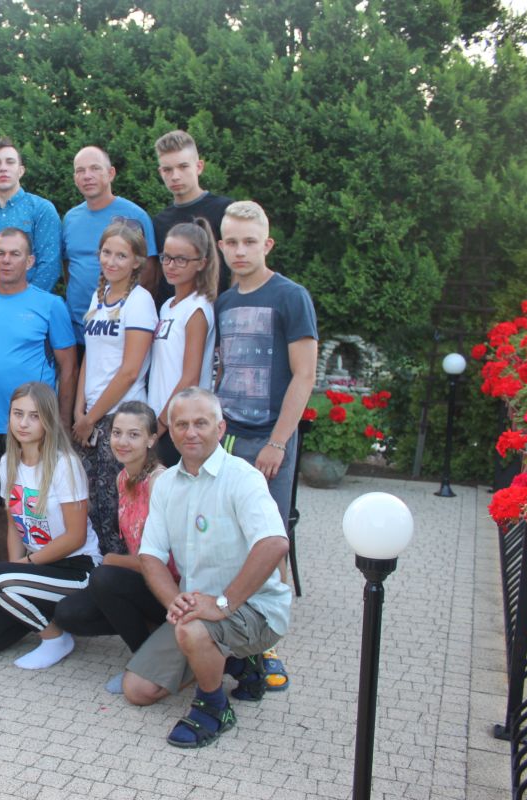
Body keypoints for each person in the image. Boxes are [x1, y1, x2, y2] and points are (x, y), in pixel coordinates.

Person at [122, 388, 291, 749]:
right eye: (181, 424)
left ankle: (214, 708)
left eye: (201, 423)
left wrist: (222, 603)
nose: (190, 432)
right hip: (198, 609)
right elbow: (150, 556)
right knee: (137, 690)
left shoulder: (242, 477)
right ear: (171, 431)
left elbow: (274, 543)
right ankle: (241, 664)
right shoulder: (166, 484)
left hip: (254, 609)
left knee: (194, 629)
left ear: (220, 428)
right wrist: (175, 601)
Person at [215, 200, 318, 691]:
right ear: (221, 246)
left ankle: (269, 644)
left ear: (267, 244)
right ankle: (231, 630)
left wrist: (278, 441)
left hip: (268, 438)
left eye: (250, 242)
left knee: (269, 540)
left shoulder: (290, 296)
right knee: (229, 536)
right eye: (232, 242)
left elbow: (305, 375)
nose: (240, 250)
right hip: (227, 435)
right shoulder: (224, 302)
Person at [0, 382, 101, 670]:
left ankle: (55, 638)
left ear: (48, 420)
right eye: (18, 414)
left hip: (76, 567)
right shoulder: (7, 463)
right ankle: (38, 610)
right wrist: (15, 570)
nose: (23, 423)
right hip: (36, 566)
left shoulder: (65, 465)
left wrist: (22, 567)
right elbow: (14, 526)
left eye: (34, 416)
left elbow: (75, 537)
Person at [0, 228, 77, 558]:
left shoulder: (50, 304)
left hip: (37, 427)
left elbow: (68, 366)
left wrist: (63, 421)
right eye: (0, 253)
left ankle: (44, 570)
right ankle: (7, 573)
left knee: (41, 505)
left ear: (30, 261)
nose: (7, 260)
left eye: (15, 254)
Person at [54, 401, 169, 692]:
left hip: (168, 586)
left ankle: (146, 662)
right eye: (117, 433)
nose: (122, 441)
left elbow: (162, 558)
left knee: (104, 576)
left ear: (151, 439)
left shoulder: (160, 482)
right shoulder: (123, 477)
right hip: (141, 579)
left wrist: (112, 561)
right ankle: (156, 636)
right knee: (68, 613)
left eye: (134, 434)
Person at [72, 220, 157, 556]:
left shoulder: (140, 301)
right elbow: (90, 358)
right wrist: (78, 409)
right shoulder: (100, 295)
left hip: (120, 417)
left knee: (117, 508)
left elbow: (129, 371)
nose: (112, 261)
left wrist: (91, 417)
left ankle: (119, 574)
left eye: (122, 255)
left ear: (137, 261)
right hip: (91, 417)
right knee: (91, 504)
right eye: (107, 253)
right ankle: (94, 572)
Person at [61, 146, 156, 346]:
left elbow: (149, 274)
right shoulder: (70, 218)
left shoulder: (135, 216)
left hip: (117, 330)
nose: (87, 176)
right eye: (80, 171)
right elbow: (68, 266)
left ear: (111, 173)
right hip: (76, 329)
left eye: (95, 168)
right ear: (75, 178)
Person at [146, 219, 219, 467]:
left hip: (178, 422)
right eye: (166, 257)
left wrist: (160, 425)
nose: (171, 265)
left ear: (201, 263)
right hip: (159, 416)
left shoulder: (197, 308)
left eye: (181, 260)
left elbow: (190, 377)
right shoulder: (168, 306)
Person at [0, 138, 61, 296]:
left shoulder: (41, 210)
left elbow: (50, 266)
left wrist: (23, 304)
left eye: (10, 162)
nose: (3, 168)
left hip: (32, 306)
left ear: (21, 170)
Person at [151, 130, 234, 303]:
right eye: (167, 169)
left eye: (183, 167)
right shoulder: (158, 222)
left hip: (219, 311)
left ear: (199, 167)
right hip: (173, 315)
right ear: (160, 172)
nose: (175, 176)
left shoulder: (225, 211)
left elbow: (240, 269)